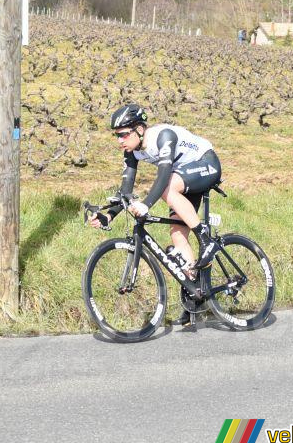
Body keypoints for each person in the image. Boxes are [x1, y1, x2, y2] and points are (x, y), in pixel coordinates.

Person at [87, 104, 222, 324]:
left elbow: (163, 175)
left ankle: (206, 239)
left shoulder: (163, 136)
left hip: (205, 164)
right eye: (116, 136)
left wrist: (146, 204)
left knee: (167, 187)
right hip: (184, 178)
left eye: (123, 134)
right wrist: (109, 215)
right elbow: (126, 191)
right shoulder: (131, 152)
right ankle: (197, 297)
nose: (120, 140)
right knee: (178, 238)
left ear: (140, 129)